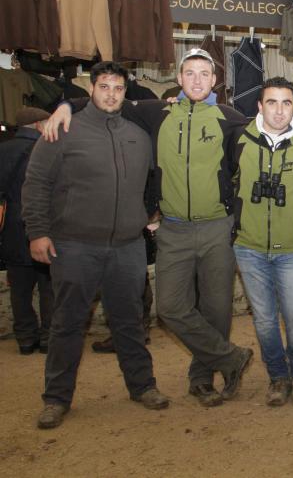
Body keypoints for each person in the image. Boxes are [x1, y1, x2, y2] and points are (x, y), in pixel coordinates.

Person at [41, 49, 293, 407]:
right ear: (180, 77)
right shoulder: (158, 112)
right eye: (191, 73)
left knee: (217, 310)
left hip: (219, 227)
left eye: (205, 73)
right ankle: (230, 358)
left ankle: (202, 378)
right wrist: (67, 105)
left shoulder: (228, 117)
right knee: (170, 307)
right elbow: (108, 100)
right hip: (173, 228)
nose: (198, 80)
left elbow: (271, 125)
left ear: (215, 80)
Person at [22, 62, 170, 429]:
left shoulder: (138, 134)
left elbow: (153, 179)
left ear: (125, 92)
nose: (111, 94)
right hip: (74, 245)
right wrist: (37, 232)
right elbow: (36, 183)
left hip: (127, 246)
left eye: (118, 88)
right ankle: (56, 399)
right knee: (67, 324)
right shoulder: (63, 130)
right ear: (91, 89)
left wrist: (149, 214)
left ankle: (143, 386)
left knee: (131, 323)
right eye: (104, 86)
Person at [231, 77, 293, 407]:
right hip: (249, 248)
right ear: (259, 105)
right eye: (271, 102)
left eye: (286, 103)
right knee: (264, 320)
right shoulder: (239, 138)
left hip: (292, 248)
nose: (278, 110)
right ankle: (278, 377)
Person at [0, 107, 54, 355]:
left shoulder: (3, 150)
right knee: (49, 287)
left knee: (20, 289)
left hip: (11, 226)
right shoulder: (48, 149)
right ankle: (48, 338)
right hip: (45, 224)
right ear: (39, 124)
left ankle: (24, 338)